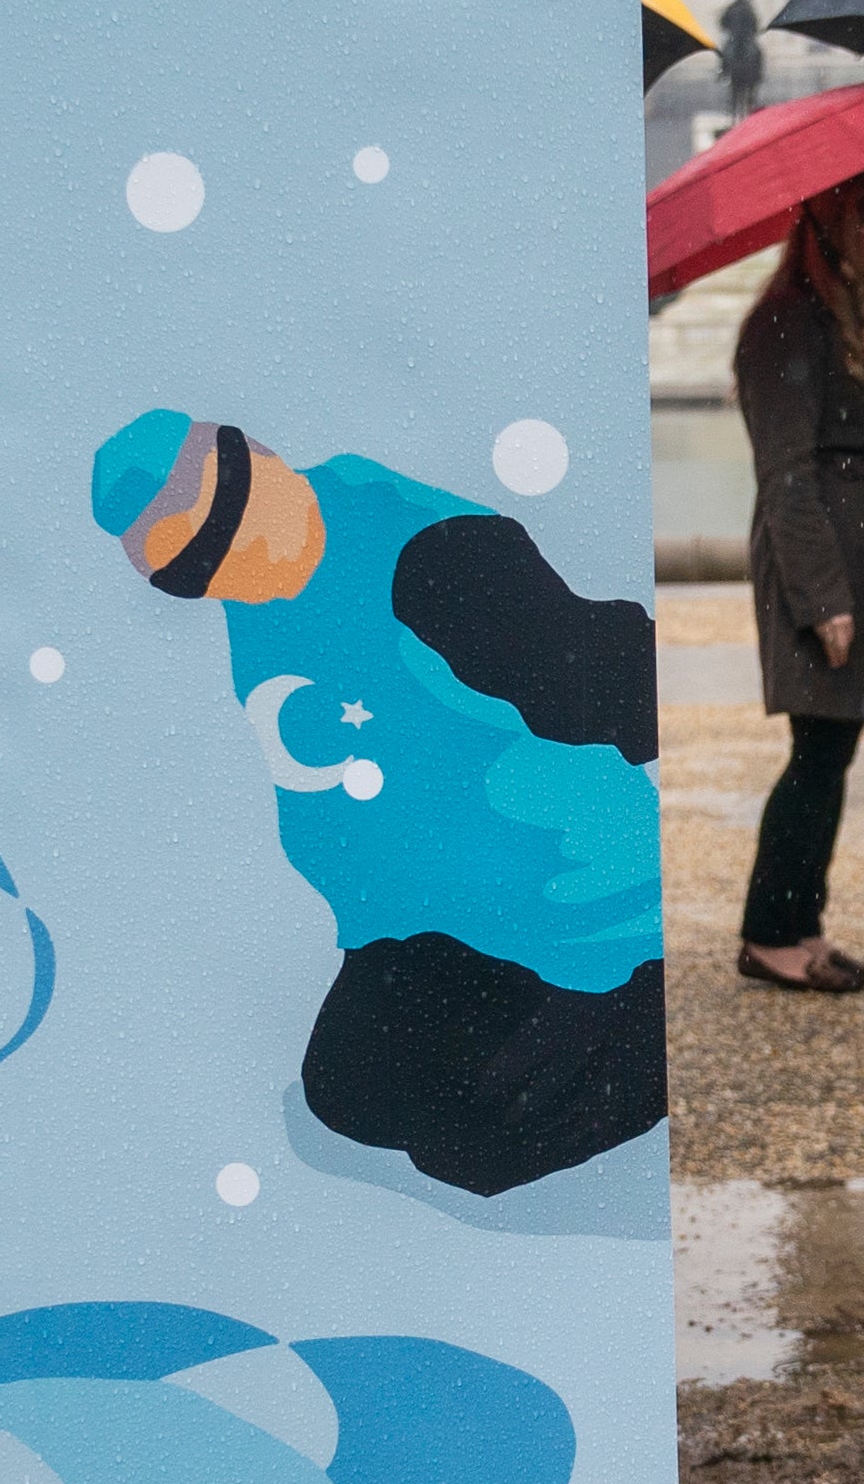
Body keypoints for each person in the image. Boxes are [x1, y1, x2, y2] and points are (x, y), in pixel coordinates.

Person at [90, 407, 666, 1192]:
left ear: (263, 457)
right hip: (438, 923)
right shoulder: (263, 600)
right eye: (191, 571)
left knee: (477, 1142)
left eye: (226, 521)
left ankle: (660, 1013)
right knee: (350, 1094)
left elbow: (608, 684)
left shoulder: (434, 559)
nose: (229, 565)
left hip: (585, 914)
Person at [732, 169, 864, 993]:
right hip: (822, 555)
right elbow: (785, 472)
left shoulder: (859, 321)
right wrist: (823, 599)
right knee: (816, 749)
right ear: (840, 230)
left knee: (833, 746)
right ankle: (770, 932)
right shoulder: (784, 326)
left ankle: (799, 923)